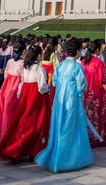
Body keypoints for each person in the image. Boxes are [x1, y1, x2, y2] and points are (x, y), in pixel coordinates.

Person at [35, 37, 93, 172]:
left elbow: (54, 82)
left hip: (59, 100)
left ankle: (57, 155)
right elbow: (81, 86)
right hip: (72, 100)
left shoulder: (61, 65)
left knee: (59, 125)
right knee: (71, 127)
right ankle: (68, 158)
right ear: (78, 51)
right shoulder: (77, 67)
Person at [0, 44, 52, 160]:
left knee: (23, 121)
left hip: (25, 96)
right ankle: (32, 149)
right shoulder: (39, 69)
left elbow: (21, 84)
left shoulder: (26, 67)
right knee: (37, 123)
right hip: (36, 98)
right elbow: (42, 87)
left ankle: (16, 147)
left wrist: (19, 95)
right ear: (38, 56)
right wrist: (48, 87)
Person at [0, 40, 26, 155]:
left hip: (6, 89)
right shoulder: (23, 63)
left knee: (1, 115)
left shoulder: (10, 61)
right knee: (12, 116)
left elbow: (6, 74)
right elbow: (23, 79)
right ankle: (8, 143)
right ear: (24, 51)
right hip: (15, 89)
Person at [82, 39, 106, 147]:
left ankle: (88, 136)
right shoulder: (98, 62)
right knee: (98, 115)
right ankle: (98, 137)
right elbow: (101, 80)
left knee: (87, 115)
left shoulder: (84, 61)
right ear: (98, 50)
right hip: (97, 92)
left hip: (85, 92)